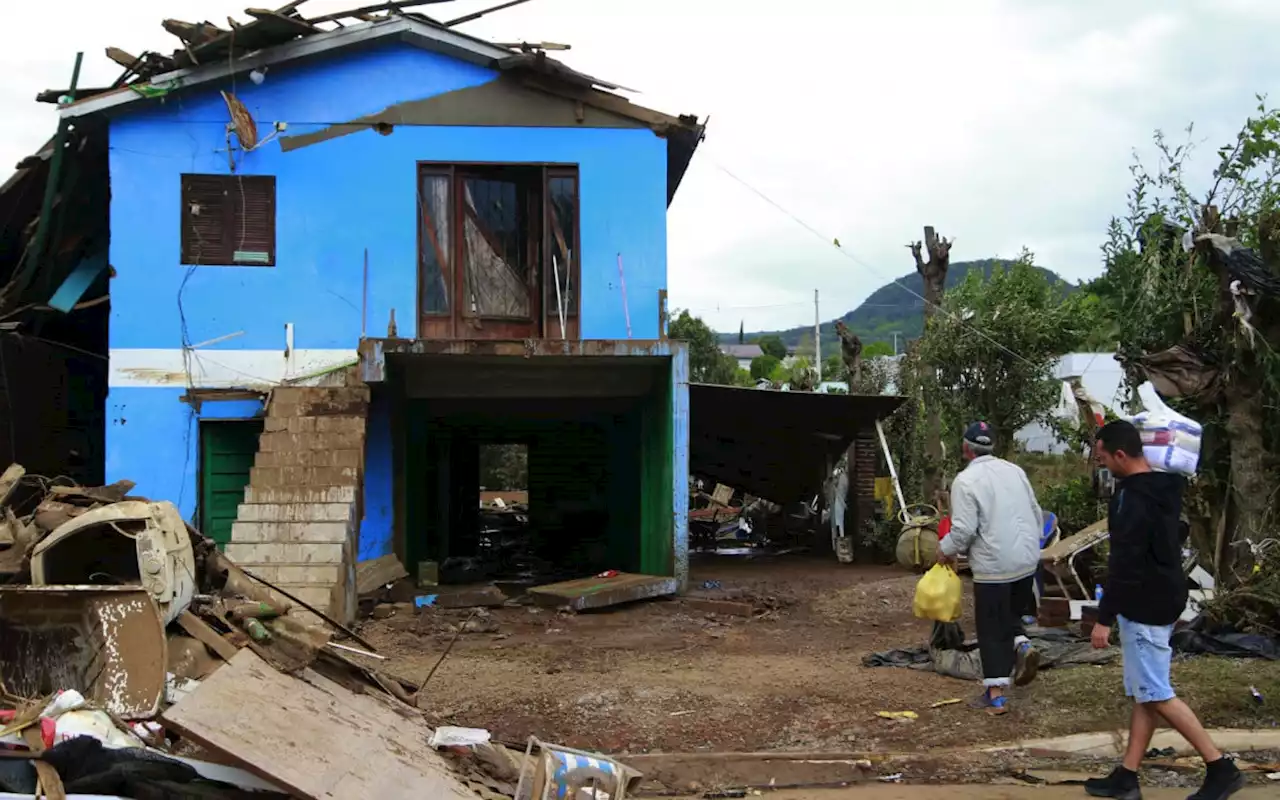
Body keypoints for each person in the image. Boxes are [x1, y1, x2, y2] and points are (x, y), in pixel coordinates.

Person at [1084, 421, 1243, 800]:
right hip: (1163, 596)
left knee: (1156, 693)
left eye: (1103, 456)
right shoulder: (1162, 488)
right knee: (1146, 691)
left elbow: (1126, 563)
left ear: (1120, 455)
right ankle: (1127, 776)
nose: (1102, 463)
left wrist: (1103, 619)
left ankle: (1220, 768)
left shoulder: (1134, 499)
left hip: (1145, 603)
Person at [936, 421, 1043, 714]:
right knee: (1009, 616)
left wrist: (944, 550)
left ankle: (995, 695)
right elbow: (1036, 513)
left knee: (991, 628)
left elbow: (964, 530)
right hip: (1026, 561)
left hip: (994, 567)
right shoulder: (1016, 471)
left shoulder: (965, 481)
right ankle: (1022, 645)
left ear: (966, 449)